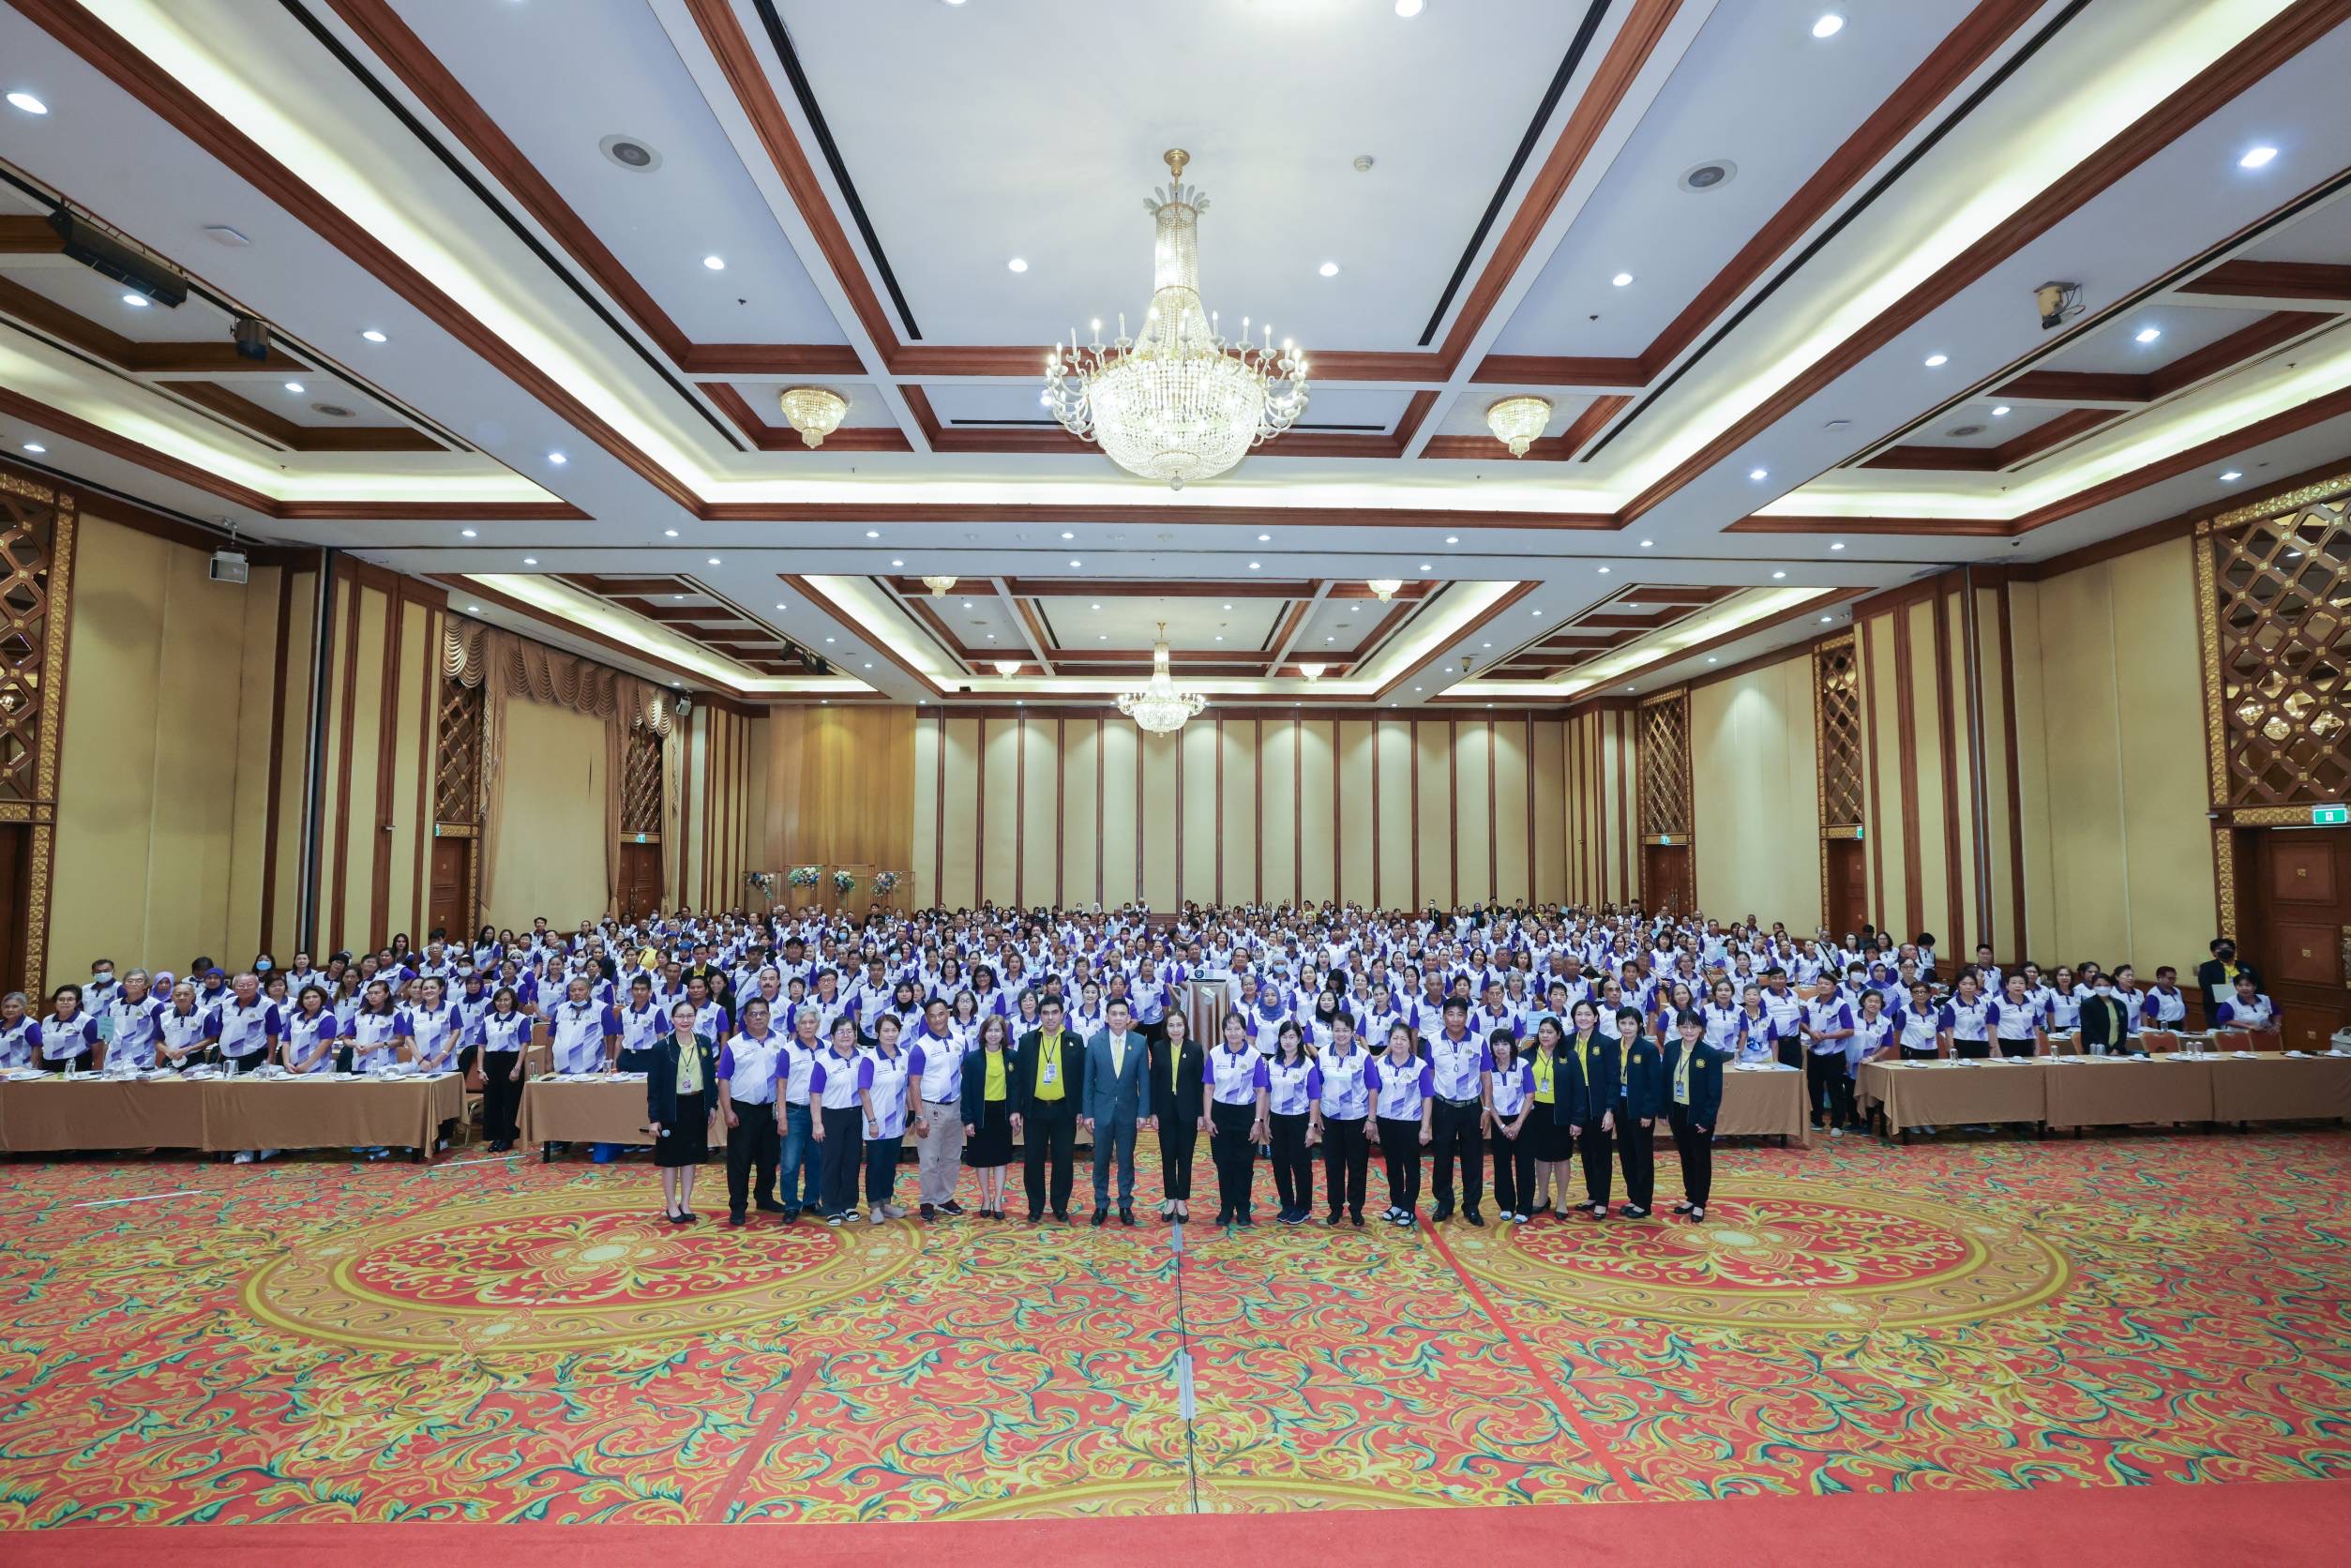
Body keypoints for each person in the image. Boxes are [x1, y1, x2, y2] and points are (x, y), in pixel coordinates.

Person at [1081, 997, 1153, 1227]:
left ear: (1129, 1017)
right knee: (1101, 1159)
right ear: (1107, 1017)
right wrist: (1088, 1112)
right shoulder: (1095, 1042)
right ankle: (1101, 1203)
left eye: (1123, 1014)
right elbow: (1087, 1081)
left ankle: (1125, 1204)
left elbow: (1144, 1080)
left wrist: (1143, 1112)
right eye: (1114, 1014)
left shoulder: (1140, 1042)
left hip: (1128, 1111)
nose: (1118, 1018)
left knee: (1125, 1160)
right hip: (1101, 1111)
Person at [646, 1000, 717, 1225]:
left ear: (695, 1017)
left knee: (690, 1158)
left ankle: (685, 1202)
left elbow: (710, 1078)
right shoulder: (661, 1048)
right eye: (680, 1016)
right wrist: (654, 1118)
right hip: (672, 1108)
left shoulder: (704, 1043)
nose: (685, 1020)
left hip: (696, 1105)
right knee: (670, 1159)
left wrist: (712, 1105)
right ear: (672, 1019)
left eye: (689, 1016)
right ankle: (671, 1204)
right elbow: (654, 1086)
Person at [716, 998, 787, 1226]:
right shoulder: (734, 1045)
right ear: (745, 1018)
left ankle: (764, 1197)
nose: (758, 1017)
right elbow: (724, 1080)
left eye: (762, 1013)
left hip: (771, 1110)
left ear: (769, 1016)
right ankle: (738, 1205)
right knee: (740, 1160)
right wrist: (728, 1111)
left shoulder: (781, 1041)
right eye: (753, 1014)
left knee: (769, 1158)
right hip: (743, 1110)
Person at [1424, 997, 1492, 1227]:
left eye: (1460, 1014)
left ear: (1466, 1016)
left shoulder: (1479, 1041)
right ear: (1443, 1016)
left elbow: (1486, 1076)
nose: (1455, 1019)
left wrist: (1487, 1108)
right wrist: (1428, 1114)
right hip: (1443, 1106)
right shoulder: (1433, 1041)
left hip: (1471, 1107)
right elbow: (1430, 1077)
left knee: (1473, 1158)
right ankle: (1444, 1202)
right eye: (1450, 1014)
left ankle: (1471, 1205)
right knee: (1442, 1157)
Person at [1012, 996, 1080, 1225]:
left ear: (1062, 1015)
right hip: (1036, 1110)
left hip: (1064, 1110)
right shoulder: (1027, 1040)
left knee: (1064, 1160)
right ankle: (1036, 1206)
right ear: (1040, 1016)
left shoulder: (1075, 1040)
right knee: (1033, 1160)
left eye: (1054, 1012)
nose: (1050, 1017)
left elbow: (1081, 1078)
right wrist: (1016, 1109)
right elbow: (1018, 1078)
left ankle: (1060, 1205)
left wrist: (1081, 1109)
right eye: (1046, 1013)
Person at [1204, 1010, 1271, 1226]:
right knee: (1223, 1163)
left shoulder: (1254, 1056)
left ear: (1244, 1031)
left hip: (1246, 1114)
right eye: (1229, 1029)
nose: (1233, 1033)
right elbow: (1209, 1087)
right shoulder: (1215, 1053)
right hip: (1220, 1114)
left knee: (1244, 1164)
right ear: (1223, 1031)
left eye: (1237, 1028)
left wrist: (1258, 1122)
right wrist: (1207, 1117)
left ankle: (1243, 1208)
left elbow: (1260, 1091)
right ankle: (1226, 1208)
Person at [1663, 1008, 1729, 1222]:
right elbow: (1665, 1081)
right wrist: (1664, 1110)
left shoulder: (1710, 1054)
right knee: (1685, 1156)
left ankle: (1700, 1202)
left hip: (1699, 1116)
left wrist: (1707, 1119)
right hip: (1677, 1111)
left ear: (1701, 1029)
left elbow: (1714, 1092)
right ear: (1678, 1028)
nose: (1689, 1030)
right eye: (1684, 1026)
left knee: (1700, 1158)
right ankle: (1690, 1197)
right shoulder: (1671, 1049)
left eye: (1693, 1026)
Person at [906, 997, 969, 1220]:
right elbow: (914, 1084)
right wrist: (919, 1116)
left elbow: (965, 1072)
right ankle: (927, 1200)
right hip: (930, 1109)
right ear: (926, 1019)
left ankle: (945, 1198)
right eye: (932, 1016)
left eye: (941, 1014)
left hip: (956, 1106)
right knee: (930, 1159)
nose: (938, 1019)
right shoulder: (920, 1047)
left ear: (948, 1014)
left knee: (952, 1157)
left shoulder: (961, 1040)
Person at [1366, 1020, 1432, 1228]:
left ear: (1410, 1042)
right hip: (1386, 1122)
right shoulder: (1380, 1064)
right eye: (1395, 1038)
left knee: (1411, 1166)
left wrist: (1425, 1127)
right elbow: (1374, 1093)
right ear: (1389, 1041)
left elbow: (1427, 1098)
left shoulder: (1419, 1066)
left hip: (1410, 1123)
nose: (1399, 1042)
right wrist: (1373, 1121)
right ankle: (1396, 1203)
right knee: (1393, 1166)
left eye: (1403, 1039)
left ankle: (1408, 1208)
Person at [1310, 1011, 1371, 1227]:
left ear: (1353, 1032)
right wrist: (1317, 1116)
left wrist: (1371, 1119)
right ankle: (1335, 1208)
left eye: (1345, 1030)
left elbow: (1373, 1088)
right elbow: (1316, 1087)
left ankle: (1356, 1208)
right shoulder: (1323, 1054)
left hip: (1357, 1118)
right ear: (1331, 1031)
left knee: (1357, 1165)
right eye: (1337, 1030)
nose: (1341, 1034)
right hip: (1331, 1118)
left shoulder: (1363, 1056)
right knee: (1333, 1166)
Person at [1561, 999, 1619, 1220]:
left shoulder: (1606, 1043)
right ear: (1573, 1018)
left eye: (1588, 1014)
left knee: (1601, 1154)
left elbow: (1613, 1080)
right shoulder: (1567, 1042)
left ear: (1596, 1018)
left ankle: (1602, 1201)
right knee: (1585, 1151)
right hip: (1576, 1104)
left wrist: (1610, 1110)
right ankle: (1593, 1194)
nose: (1583, 1018)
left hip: (1598, 1105)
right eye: (1579, 1014)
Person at [807, 1017, 867, 1225]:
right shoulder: (824, 1061)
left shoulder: (862, 1057)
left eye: (850, 1031)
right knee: (831, 1162)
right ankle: (831, 1206)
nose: (846, 1035)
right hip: (831, 1116)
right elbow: (815, 1094)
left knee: (852, 1161)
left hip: (855, 1115)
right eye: (841, 1032)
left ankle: (848, 1204)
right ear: (832, 1037)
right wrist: (817, 1123)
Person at [957, 1015, 1017, 1219]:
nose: (993, 1034)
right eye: (989, 1030)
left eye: (997, 1030)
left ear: (1003, 1034)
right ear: (983, 1034)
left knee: (1000, 1159)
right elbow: (966, 1091)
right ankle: (985, 1198)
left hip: (1002, 1113)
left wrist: (1015, 1111)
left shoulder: (1012, 1057)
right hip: (980, 1114)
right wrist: (968, 1119)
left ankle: (998, 1199)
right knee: (982, 1160)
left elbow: (1016, 1088)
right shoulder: (972, 1059)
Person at [860, 1016, 913, 1224]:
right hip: (876, 1121)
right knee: (876, 1164)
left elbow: (907, 1087)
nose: (890, 1034)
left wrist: (911, 1113)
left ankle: (886, 1202)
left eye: (894, 1030)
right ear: (877, 1033)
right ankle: (874, 1206)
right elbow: (864, 1092)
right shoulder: (870, 1058)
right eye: (886, 1031)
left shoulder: (904, 1056)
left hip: (897, 1121)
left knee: (890, 1164)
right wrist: (872, 1121)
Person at [1262, 1020, 1317, 1225]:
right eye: (1284, 1037)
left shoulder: (1307, 1065)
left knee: (1300, 1164)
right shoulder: (1272, 1063)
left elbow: (1314, 1098)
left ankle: (1303, 1207)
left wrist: (1312, 1127)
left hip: (1299, 1120)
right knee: (1280, 1164)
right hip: (1277, 1119)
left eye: (1292, 1037)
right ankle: (1287, 1204)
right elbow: (1267, 1093)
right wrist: (1264, 1121)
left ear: (1299, 1039)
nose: (1288, 1041)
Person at [776, 1006, 826, 1220]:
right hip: (794, 1112)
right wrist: (782, 1117)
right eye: (803, 1023)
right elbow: (780, 1086)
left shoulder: (827, 1048)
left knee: (817, 1160)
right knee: (790, 1163)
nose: (807, 1026)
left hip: (820, 1114)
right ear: (796, 1026)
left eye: (811, 1022)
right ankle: (790, 1203)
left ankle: (811, 1200)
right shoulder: (787, 1050)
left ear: (818, 1025)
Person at [1613, 1005, 1663, 1219]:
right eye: (1623, 1023)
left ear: (1640, 1025)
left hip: (1641, 1110)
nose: (1627, 1027)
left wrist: (1648, 1113)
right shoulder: (1615, 1047)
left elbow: (1654, 1084)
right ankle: (1634, 1198)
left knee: (1642, 1156)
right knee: (1626, 1154)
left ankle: (1644, 1202)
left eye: (1631, 1023)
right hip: (1621, 1107)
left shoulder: (1648, 1049)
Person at [1527, 1016, 1575, 1216]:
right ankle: (1542, 1197)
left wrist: (1577, 1119)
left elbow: (1578, 1089)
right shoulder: (1528, 1055)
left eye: (1549, 1032)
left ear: (1559, 1035)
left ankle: (1562, 1200)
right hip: (1535, 1112)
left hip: (1560, 1112)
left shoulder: (1568, 1056)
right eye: (1542, 1031)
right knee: (1541, 1157)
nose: (1545, 1035)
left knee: (1562, 1157)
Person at [1485, 1027, 1535, 1224]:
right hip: (1499, 1121)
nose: (1500, 1048)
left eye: (1505, 1043)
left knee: (1525, 1165)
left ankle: (1524, 1207)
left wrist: (1517, 1124)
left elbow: (1530, 1096)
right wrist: (1502, 1126)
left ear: (1512, 1045)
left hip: (1523, 1120)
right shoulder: (1487, 1069)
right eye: (1496, 1044)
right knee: (1501, 1165)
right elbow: (1487, 1100)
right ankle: (1506, 1205)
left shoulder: (1523, 1065)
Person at [477, 987, 530, 1151]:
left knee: (510, 1101)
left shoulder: (521, 1019)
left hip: (511, 1061)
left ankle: (508, 1138)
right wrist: (480, 1069)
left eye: (506, 999)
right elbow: (481, 1045)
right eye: (499, 1000)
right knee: (492, 1102)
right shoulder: (488, 1020)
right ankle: (496, 1137)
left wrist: (517, 1068)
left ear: (512, 1001)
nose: (502, 1003)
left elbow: (525, 1044)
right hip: (491, 1062)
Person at [37, 986, 102, 1072]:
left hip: (76, 1070)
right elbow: (43, 1046)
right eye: (61, 999)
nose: (65, 1002)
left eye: (70, 999)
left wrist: (96, 1073)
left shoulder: (87, 1021)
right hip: (48, 1069)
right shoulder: (47, 1020)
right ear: (55, 1002)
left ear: (77, 1002)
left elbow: (98, 1052)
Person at [281, 985, 341, 1075]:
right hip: (293, 1069)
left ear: (321, 999)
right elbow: (286, 1042)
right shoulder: (294, 1018)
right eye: (307, 998)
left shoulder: (327, 1017)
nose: (311, 1000)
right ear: (302, 1001)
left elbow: (326, 1043)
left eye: (315, 997)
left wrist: (305, 1066)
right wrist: (286, 1063)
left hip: (318, 1069)